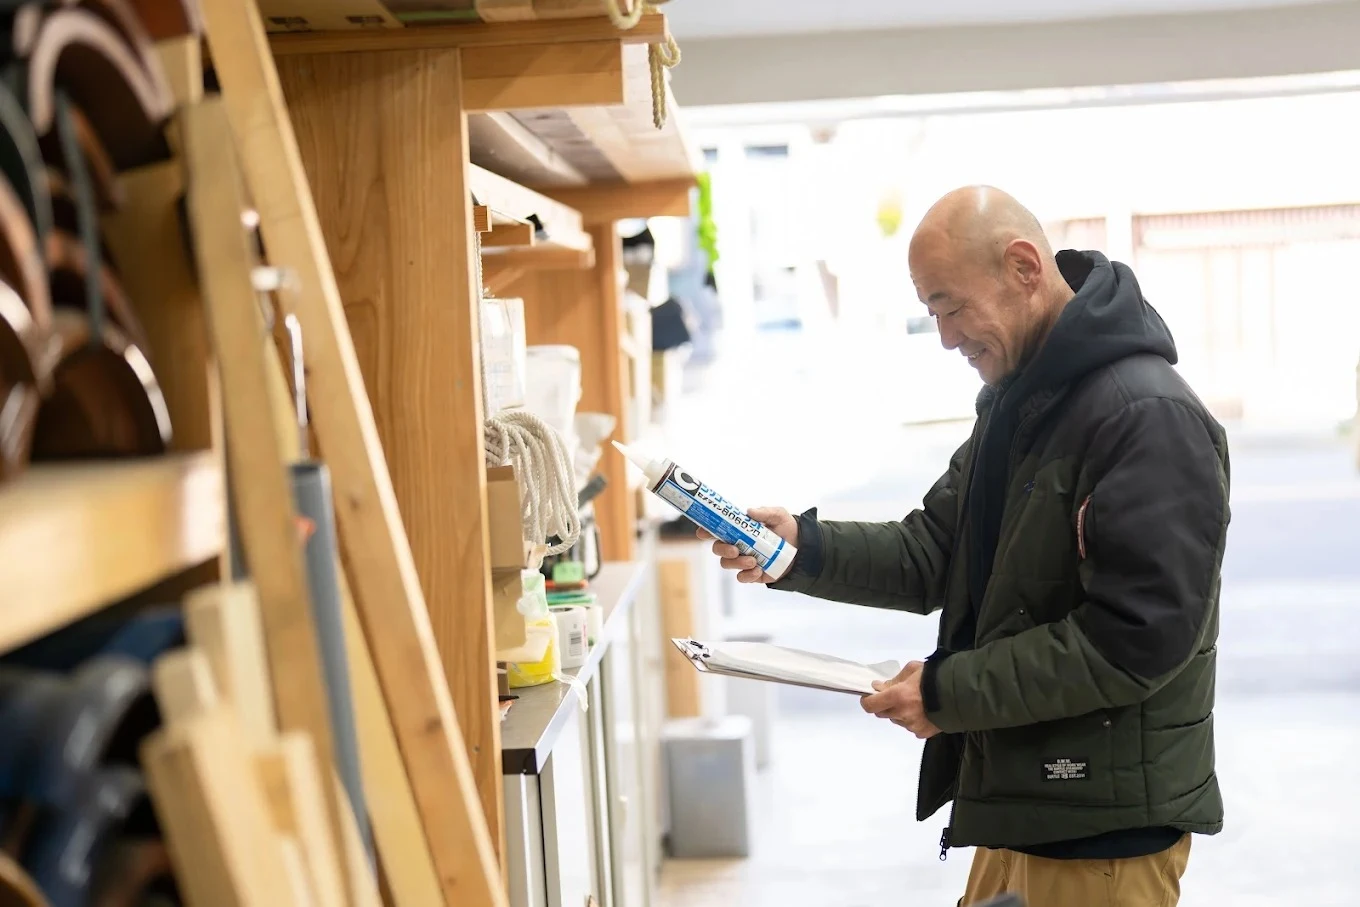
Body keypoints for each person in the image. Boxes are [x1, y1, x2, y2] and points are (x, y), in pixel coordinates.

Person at [702, 186, 1229, 906]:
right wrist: (799, 548)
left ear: (1022, 268)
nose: (947, 337)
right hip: (1023, 810)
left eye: (951, 306)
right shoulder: (1023, 403)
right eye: (932, 313)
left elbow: (1133, 640)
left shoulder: (1146, 417)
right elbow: (935, 553)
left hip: (1101, 836)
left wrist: (948, 691)